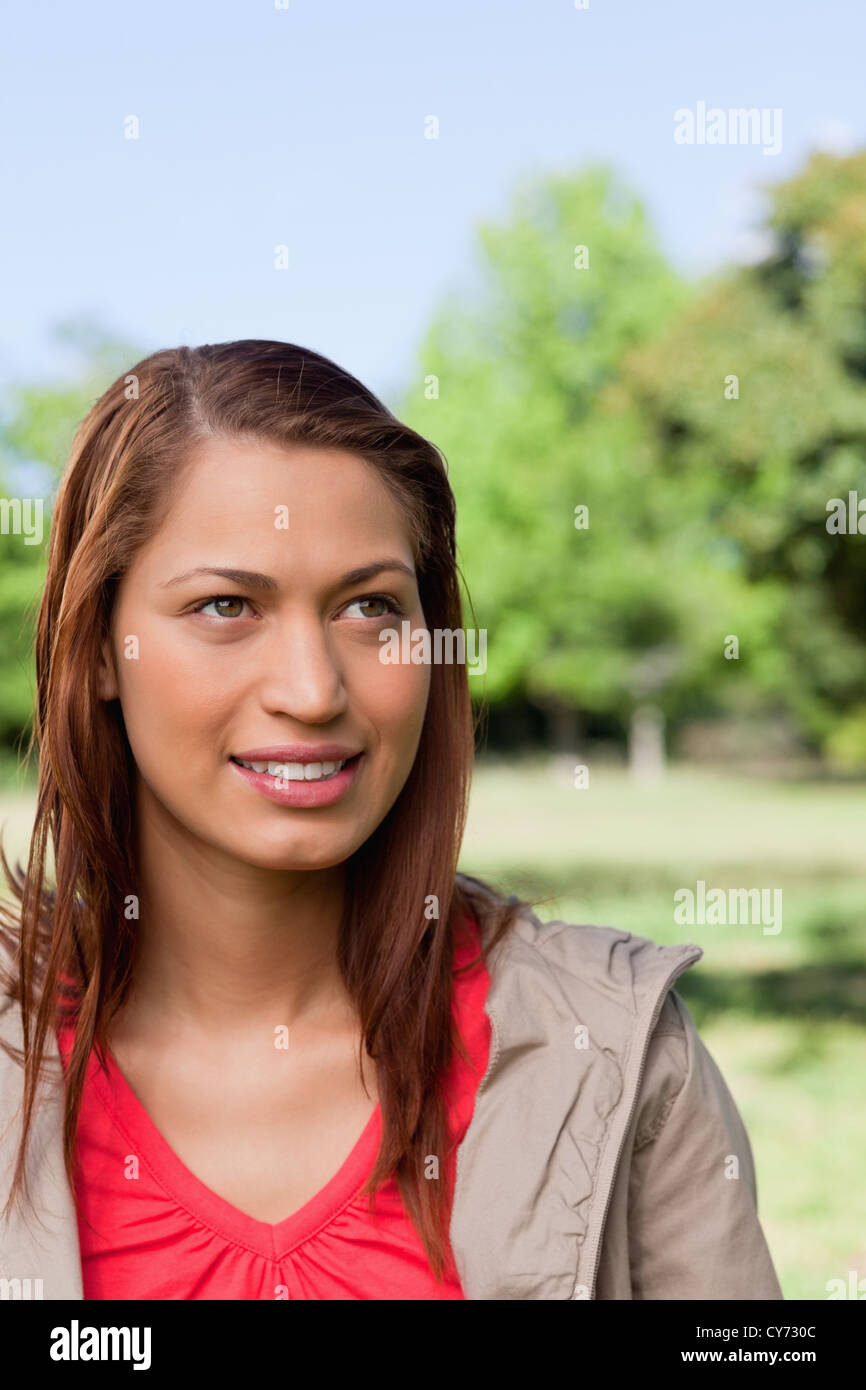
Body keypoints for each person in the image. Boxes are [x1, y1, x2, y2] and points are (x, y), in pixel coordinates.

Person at [0, 340, 783, 1300]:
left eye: (370, 607)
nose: (312, 690)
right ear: (97, 650)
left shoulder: (618, 1051)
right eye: (226, 606)